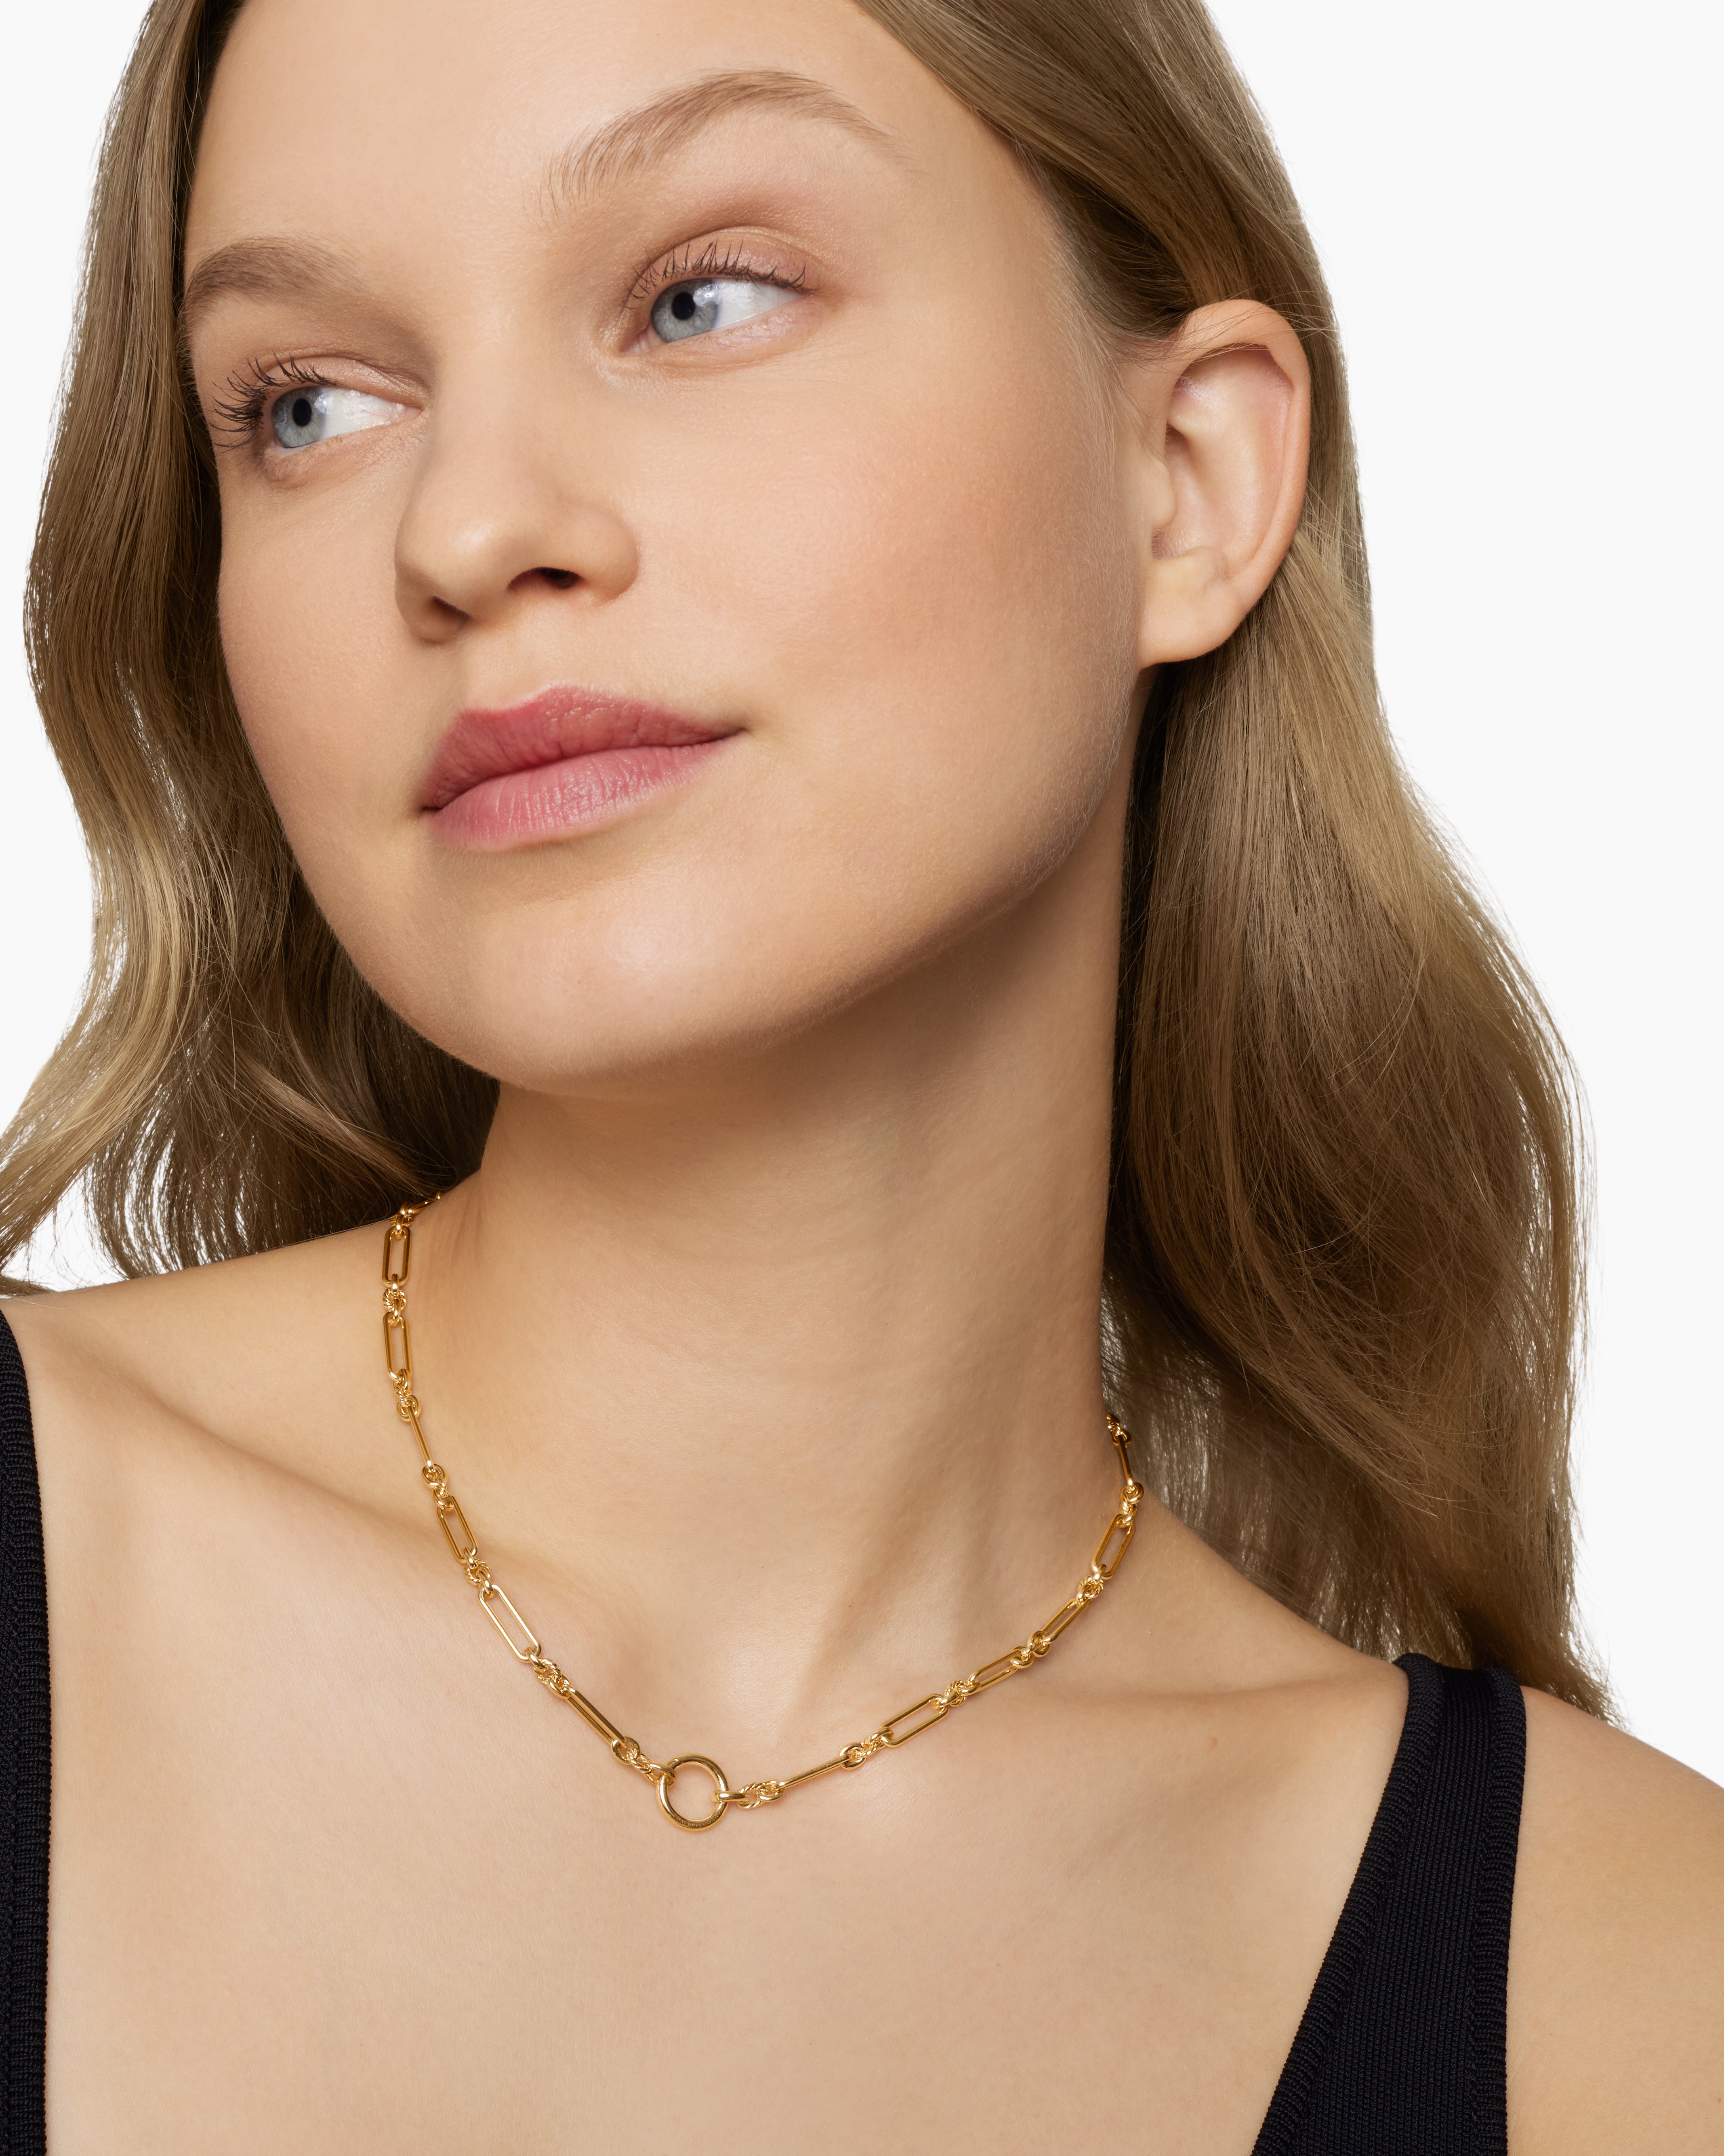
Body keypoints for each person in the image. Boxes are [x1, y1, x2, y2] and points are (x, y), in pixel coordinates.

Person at [1, 0, 1720, 2145]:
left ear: (1188, 483)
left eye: (702, 299)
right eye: (310, 404)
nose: (469, 528)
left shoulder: (1637, 2000)